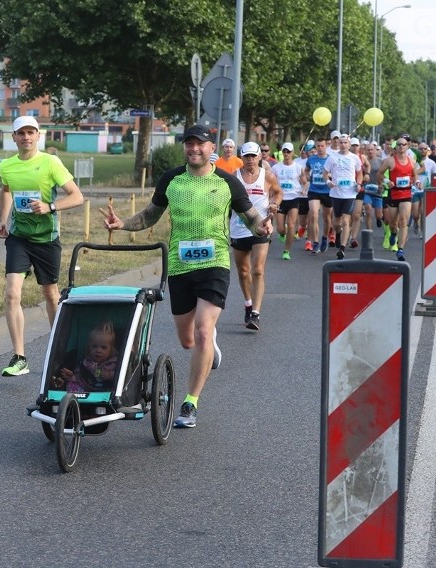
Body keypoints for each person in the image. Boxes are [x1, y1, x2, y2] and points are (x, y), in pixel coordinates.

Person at [100, 124, 271, 429]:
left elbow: (251, 215)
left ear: (211, 147)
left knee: (203, 330)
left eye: (200, 144)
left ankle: (190, 403)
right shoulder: (172, 180)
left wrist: (261, 226)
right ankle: (209, 342)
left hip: (215, 263)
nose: (194, 149)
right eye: (189, 144)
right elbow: (150, 215)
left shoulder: (227, 183)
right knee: (187, 340)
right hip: (180, 266)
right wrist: (122, 224)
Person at [0, 116, 84, 376]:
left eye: (30, 132)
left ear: (38, 136)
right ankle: (19, 357)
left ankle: (61, 354)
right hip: (19, 238)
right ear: (13, 137)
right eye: (21, 133)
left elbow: (77, 196)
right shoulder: (6, 165)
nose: (26, 137)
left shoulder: (50, 162)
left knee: (50, 295)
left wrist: (50, 207)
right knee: (12, 293)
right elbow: (6, 190)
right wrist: (3, 219)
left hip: (46, 239)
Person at [232, 142, 282, 329]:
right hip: (238, 228)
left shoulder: (267, 176)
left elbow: (277, 192)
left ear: (260, 156)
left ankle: (256, 313)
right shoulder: (234, 178)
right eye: (247, 156)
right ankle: (248, 303)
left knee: (258, 270)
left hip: (261, 227)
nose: (250, 159)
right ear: (242, 157)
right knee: (243, 271)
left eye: (254, 156)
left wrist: (274, 204)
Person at [376, 136, 417, 262]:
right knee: (393, 223)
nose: (401, 147)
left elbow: (414, 177)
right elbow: (379, 174)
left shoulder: (412, 161)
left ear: (407, 146)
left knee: (403, 220)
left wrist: (417, 183)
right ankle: (394, 233)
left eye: (403, 144)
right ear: (395, 147)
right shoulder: (390, 161)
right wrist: (387, 182)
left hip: (406, 195)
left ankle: (400, 249)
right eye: (398, 145)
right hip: (393, 194)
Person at [323, 134, 363, 259]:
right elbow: (325, 174)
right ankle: (338, 234)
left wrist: (359, 184)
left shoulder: (354, 158)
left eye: (345, 143)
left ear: (349, 144)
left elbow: (360, 173)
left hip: (350, 193)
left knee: (346, 220)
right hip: (336, 193)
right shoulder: (332, 158)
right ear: (338, 144)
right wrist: (328, 182)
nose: (343, 145)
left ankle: (342, 248)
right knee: (336, 222)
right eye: (341, 142)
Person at [53, 320, 119, 392]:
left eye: (103, 347)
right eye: (94, 346)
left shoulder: (114, 363)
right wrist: (71, 377)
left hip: (107, 392)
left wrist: (110, 375)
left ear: (111, 349)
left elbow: (123, 376)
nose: (98, 350)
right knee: (72, 384)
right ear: (89, 347)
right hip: (87, 391)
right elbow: (78, 379)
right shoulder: (85, 362)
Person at [272, 142, 306, 261]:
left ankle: (286, 251)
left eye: (288, 151)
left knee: (291, 225)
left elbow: (305, 182)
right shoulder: (276, 167)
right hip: (281, 199)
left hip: (294, 198)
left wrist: (303, 189)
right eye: (284, 151)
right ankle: (282, 233)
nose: (286, 153)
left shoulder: (298, 167)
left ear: (292, 153)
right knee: (280, 228)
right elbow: (272, 182)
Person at [302, 138, 333, 254]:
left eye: (322, 146)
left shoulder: (331, 159)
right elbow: (306, 170)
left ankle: (324, 238)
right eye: (318, 146)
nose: (320, 148)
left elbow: (335, 173)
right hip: (314, 190)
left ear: (326, 146)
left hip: (327, 191)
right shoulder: (311, 159)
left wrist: (330, 176)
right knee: (314, 215)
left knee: (327, 218)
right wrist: (307, 177)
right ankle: (315, 242)